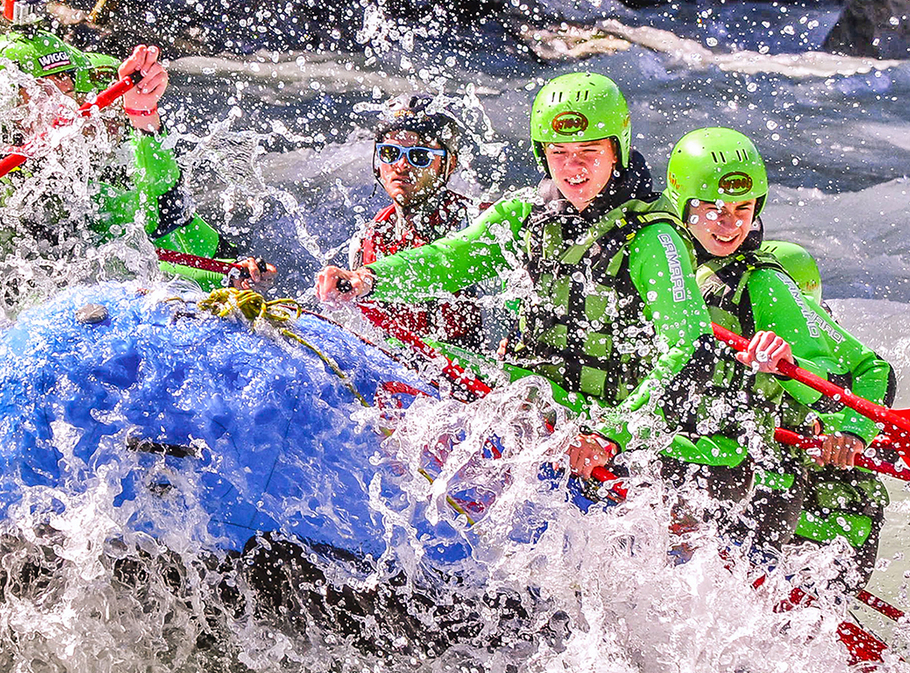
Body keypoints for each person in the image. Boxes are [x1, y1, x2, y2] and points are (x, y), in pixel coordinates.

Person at [317, 73, 788, 482]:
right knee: (419, 356)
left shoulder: (653, 240)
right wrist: (368, 279)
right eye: (559, 152)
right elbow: (452, 258)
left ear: (617, 151)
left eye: (589, 151)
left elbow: (686, 348)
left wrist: (609, 438)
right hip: (532, 395)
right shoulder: (530, 213)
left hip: (602, 422)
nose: (573, 167)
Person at [0, 0, 256, 365]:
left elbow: (144, 227)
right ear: (5, 108)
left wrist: (144, 117)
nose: (64, 107)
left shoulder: (90, 171)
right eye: (42, 94)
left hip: (54, 284)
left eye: (68, 89)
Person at [663, 127, 896, 587]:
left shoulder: (765, 285)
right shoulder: (661, 263)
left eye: (742, 210)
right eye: (714, 210)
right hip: (689, 464)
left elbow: (869, 371)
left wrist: (847, 427)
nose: (729, 224)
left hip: (772, 492)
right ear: (682, 205)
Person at [760, 239, 895, 580]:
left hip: (842, 532)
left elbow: (876, 375)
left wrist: (849, 432)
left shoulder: (826, 349)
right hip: (789, 519)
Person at [347, 93, 488, 348]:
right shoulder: (367, 238)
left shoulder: (476, 223)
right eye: (390, 153)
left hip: (464, 373)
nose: (401, 165)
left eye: (419, 156)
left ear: (449, 164)